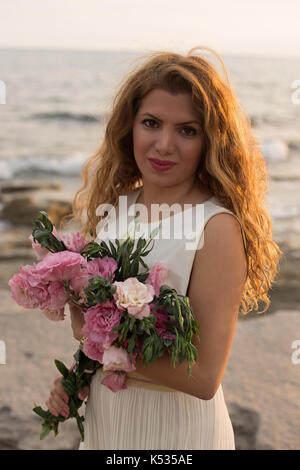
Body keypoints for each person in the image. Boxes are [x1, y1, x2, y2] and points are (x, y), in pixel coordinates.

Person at [46, 46, 282, 450]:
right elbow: (106, 339)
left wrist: (95, 340)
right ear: (129, 127)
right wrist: (77, 377)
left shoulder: (217, 227)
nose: (164, 144)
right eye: (151, 123)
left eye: (187, 130)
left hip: (174, 432)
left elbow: (205, 377)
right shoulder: (117, 210)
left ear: (211, 140)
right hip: (111, 424)